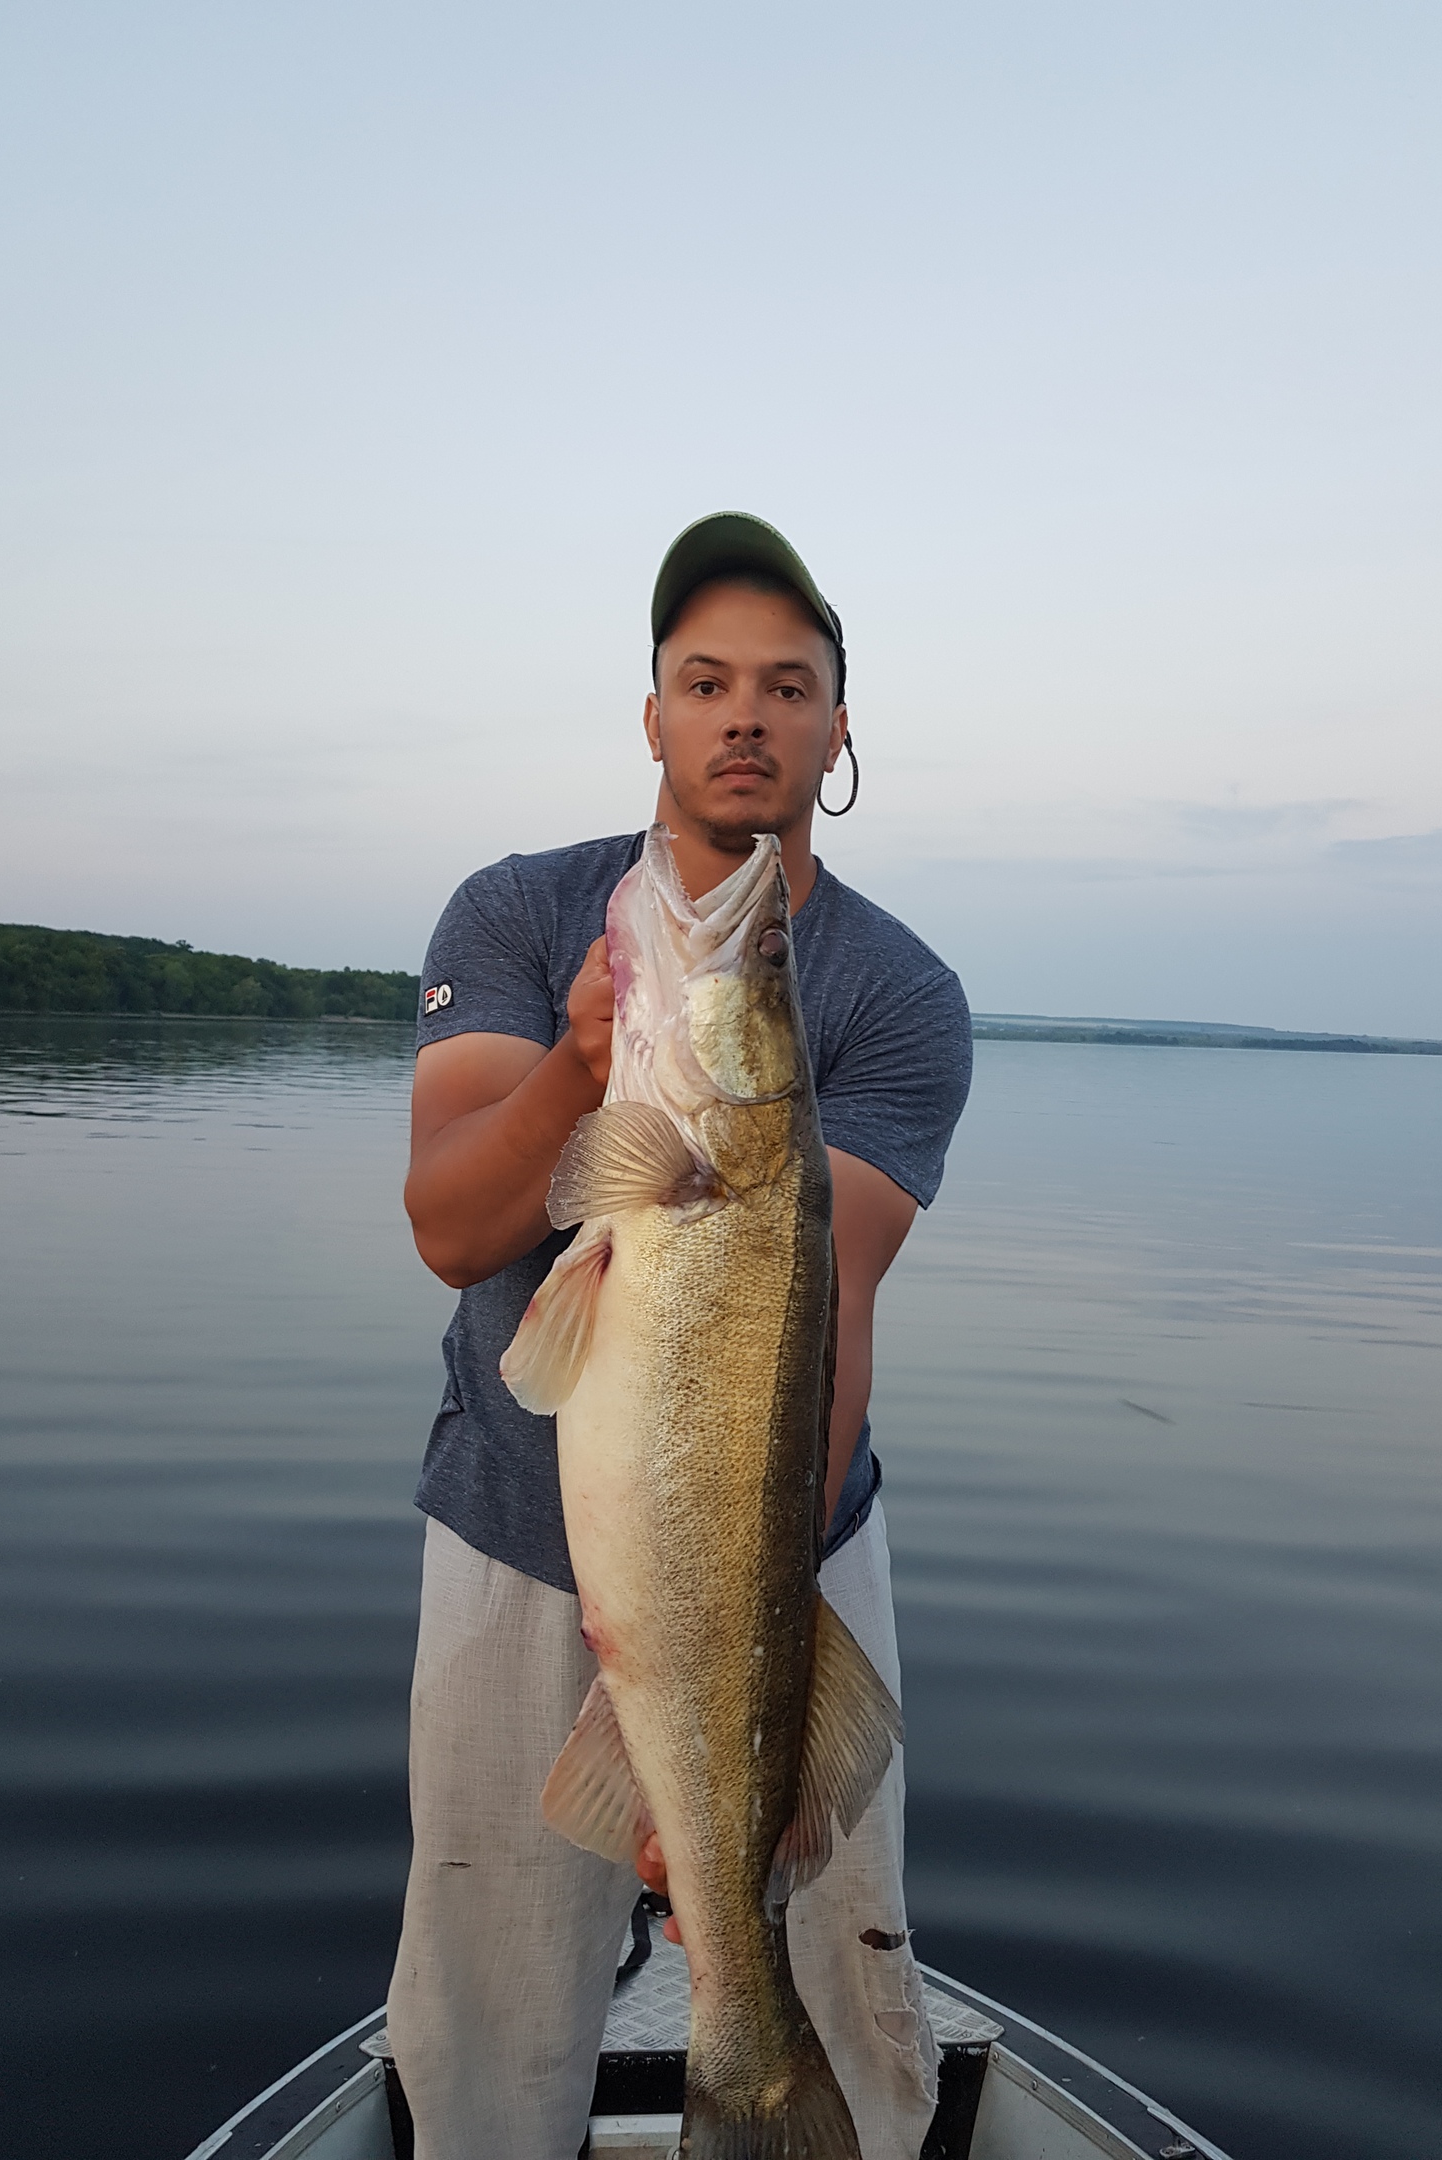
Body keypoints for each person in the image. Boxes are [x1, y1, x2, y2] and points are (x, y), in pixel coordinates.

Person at [386, 513, 973, 2160]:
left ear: (838, 730)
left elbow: (824, 1314)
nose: (745, 716)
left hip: (781, 1564)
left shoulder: (900, 995)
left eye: (790, 687)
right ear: (649, 712)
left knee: (846, 2009)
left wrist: (735, 1690)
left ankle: (772, 2072)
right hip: (513, 1534)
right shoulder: (511, 915)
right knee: (489, 2023)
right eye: (704, 680)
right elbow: (453, 1231)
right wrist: (579, 1069)